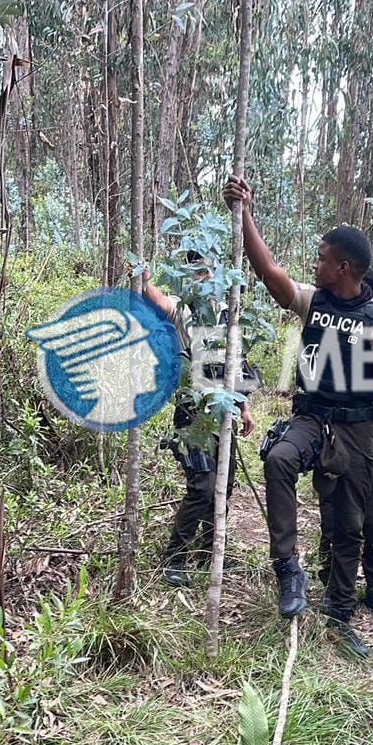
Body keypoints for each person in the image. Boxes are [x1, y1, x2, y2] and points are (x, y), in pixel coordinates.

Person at [224, 175, 373, 657]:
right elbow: (270, 274)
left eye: (323, 257)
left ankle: (340, 613)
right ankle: (287, 567)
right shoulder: (315, 300)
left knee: (349, 525)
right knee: (278, 460)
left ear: (343, 267)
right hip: (312, 415)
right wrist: (244, 213)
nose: (315, 262)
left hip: (357, 427)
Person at [140, 251, 255, 587]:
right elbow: (162, 303)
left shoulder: (227, 311)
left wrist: (243, 405)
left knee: (224, 484)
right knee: (202, 485)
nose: (203, 277)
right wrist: (145, 281)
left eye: (207, 270)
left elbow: (236, 362)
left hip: (224, 410)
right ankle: (174, 559)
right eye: (196, 271)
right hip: (192, 412)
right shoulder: (186, 306)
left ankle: (209, 553)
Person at [318, 269, 373, 617]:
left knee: (372, 515)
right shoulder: (331, 325)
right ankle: (333, 582)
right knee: (333, 510)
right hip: (335, 431)